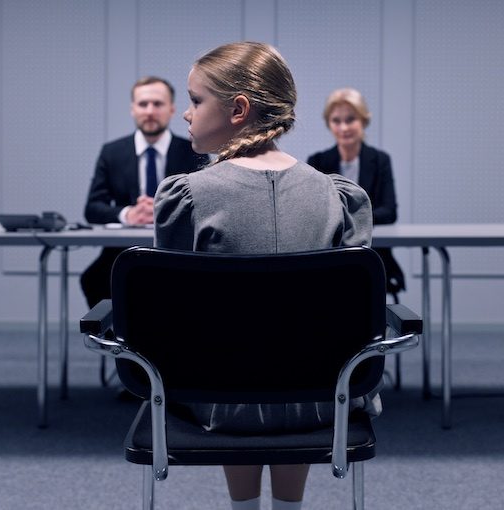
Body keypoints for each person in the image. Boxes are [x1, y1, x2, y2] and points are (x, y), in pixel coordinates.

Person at [154, 42, 372, 510]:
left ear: (238, 109)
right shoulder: (337, 196)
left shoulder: (188, 196)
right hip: (320, 400)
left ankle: (245, 507)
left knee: (230, 355)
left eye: (195, 100)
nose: (186, 115)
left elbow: (167, 313)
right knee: (297, 356)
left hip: (218, 400)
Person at [80, 76, 210, 308]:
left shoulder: (194, 151)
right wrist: (128, 214)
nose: (150, 111)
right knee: (93, 280)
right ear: (133, 109)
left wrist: (162, 211)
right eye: (143, 104)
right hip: (120, 253)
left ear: (171, 109)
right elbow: (92, 209)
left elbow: (206, 205)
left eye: (157, 104)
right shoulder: (112, 152)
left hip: (177, 250)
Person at [307, 88, 405, 297]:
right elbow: (313, 211)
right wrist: (358, 216)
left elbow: (389, 212)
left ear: (363, 121)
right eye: (336, 120)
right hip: (329, 254)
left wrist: (341, 217)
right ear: (329, 124)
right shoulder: (317, 161)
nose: (343, 127)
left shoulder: (380, 160)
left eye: (350, 119)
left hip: (375, 255)